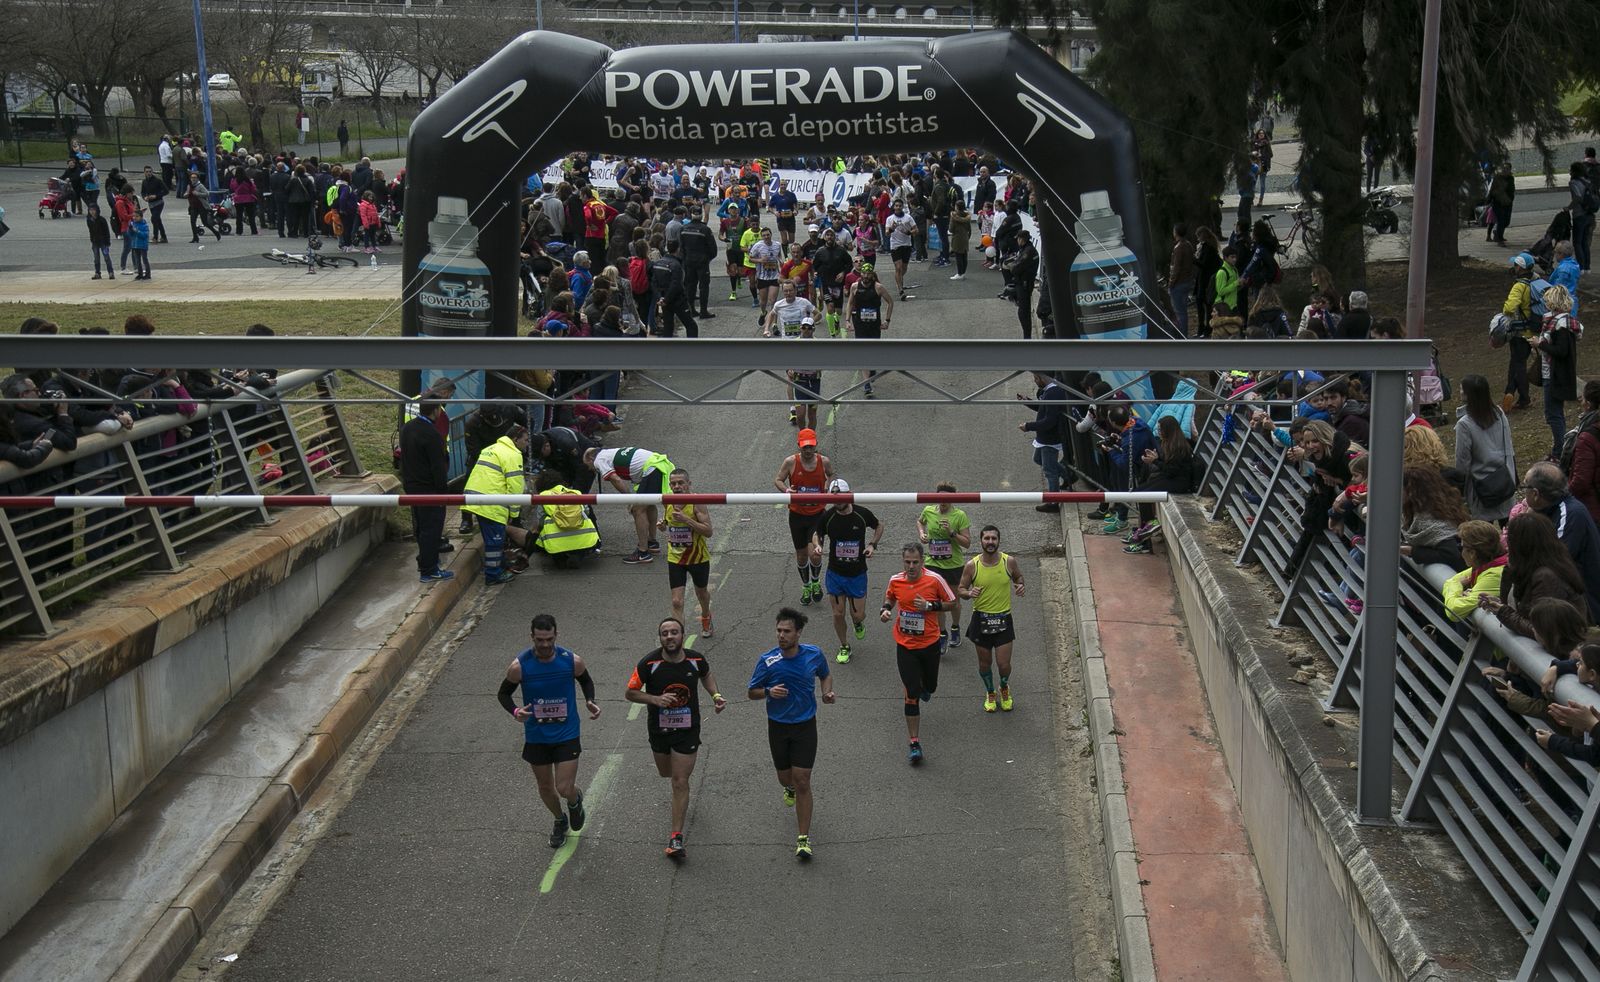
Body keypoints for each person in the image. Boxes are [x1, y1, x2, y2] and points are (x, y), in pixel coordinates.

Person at [626, 617, 726, 860]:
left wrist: (716, 695)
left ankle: (675, 838)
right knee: (666, 773)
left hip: (687, 728)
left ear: (682, 635)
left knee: (680, 781)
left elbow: (707, 675)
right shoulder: (648, 663)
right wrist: (655, 700)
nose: (669, 637)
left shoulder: (696, 659)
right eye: (664, 633)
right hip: (659, 730)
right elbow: (630, 692)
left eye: (674, 632)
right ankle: (680, 796)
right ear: (660, 638)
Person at [498, 614, 600, 849]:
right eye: (539, 640)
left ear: (556, 636)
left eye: (549, 639)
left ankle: (574, 801)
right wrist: (515, 712)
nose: (545, 645)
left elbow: (585, 681)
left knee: (564, 787)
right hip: (537, 735)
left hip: (567, 731)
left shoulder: (571, 661)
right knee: (545, 787)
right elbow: (503, 694)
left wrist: (590, 701)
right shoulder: (519, 667)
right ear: (531, 637)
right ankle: (559, 820)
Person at [747, 607, 835, 861]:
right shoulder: (768, 660)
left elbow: (825, 675)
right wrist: (768, 692)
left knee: (803, 779)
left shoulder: (814, 655)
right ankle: (789, 788)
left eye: (786, 631)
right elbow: (751, 692)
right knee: (786, 778)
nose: (781, 635)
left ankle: (803, 839)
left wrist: (827, 692)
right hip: (778, 726)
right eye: (778, 630)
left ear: (798, 633)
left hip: (805, 725)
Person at [881, 543, 957, 764]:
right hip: (905, 645)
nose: (911, 566)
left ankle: (925, 686)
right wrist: (885, 609)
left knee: (930, 687)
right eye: (907, 562)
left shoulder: (934, 579)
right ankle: (914, 742)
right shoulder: (896, 580)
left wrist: (929, 606)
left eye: (915, 562)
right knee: (911, 693)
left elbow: (952, 603)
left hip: (930, 643)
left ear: (922, 561)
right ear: (902, 561)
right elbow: (890, 597)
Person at [1517, 461, 1600, 622]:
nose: (1523, 494)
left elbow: (1552, 560)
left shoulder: (1569, 514)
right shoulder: (1548, 509)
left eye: (1524, 487)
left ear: (1535, 494)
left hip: (1585, 606)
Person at [811, 478, 882, 665]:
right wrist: (818, 546)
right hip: (835, 573)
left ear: (849, 495)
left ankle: (858, 623)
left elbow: (879, 526)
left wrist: (872, 545)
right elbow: (817, 534)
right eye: (834, 498)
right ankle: (844, 646)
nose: (837, 501)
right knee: (837, 613)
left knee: (857, 614)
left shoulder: (862, 514)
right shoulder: (828, 516)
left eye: (841, 497)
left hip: (857, 573)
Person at [959, 525, 1026, 712]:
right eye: (986, 538)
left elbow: (1019, 578)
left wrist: (1020, 586)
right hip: (981, 620)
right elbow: (961, 589)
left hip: (1003, 618)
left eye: (993, 539)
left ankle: (1004, 687)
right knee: (985, 663)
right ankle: (990, 691)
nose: (990, 542)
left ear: (999, 541)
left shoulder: (1009, 562)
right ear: (980, 541)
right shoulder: (972, 565)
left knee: (1004, 665)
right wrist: (969, 593)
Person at [463, 424, 532, 585]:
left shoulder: (492, 448)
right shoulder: (513, 454)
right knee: (495, 541)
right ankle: (493, 575)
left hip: (475, 498)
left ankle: (501, 565)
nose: (527, 444)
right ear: (516, 439)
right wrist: (514, 515)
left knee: (493, 537)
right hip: (491, 502)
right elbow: (515, 488)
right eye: (526, 440)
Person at [585, 444, 675, 565]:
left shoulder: (599, 460)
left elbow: (615, 479)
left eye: (588, 465)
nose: (590, 469)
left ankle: (643, 553)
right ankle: (651, 543)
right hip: (658, 465)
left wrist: (629, 499)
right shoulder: (609, 453)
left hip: (652, 467)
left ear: (591, 458)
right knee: (649, 505)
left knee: (638, 510)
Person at [775, 429, 835, 606]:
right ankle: (806, 585)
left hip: (818, 515)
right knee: (801, 556)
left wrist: (828, 486)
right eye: (804, 447)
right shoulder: (791, 462)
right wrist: (787, 490)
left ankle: (816, 581)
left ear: (815, 444)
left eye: (811, 447)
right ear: (799, 446)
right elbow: (778, 480)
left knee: (815, 555)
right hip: (797, 515)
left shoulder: (823, 461)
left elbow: (831, 474)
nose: (808, 450)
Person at [400, 396, 453, 582]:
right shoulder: (432, 434)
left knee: (422, 527)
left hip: (412, 486)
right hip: (430, 490)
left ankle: (425, 559)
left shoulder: (407, 428)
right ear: (436, 411)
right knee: (432, 528)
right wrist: (443, 491)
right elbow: (437, 467)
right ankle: (429, 568)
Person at [1453, 374, 1517, 524]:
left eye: (1462, 390)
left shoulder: (1465, 424)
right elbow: (1508, 447)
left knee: (1482, 536)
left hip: (1480, 488)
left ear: (1469, 395)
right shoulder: (1499, 414)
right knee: (1509, 532)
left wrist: (1460, 489)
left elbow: (1462, 461)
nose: (1460, 392)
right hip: (1504, 481)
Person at [659, 469, 714, 636]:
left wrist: (687, 520)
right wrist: (662, 524)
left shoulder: (696, 502)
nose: (677, 487)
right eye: (673, 483)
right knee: (676, 601)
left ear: (688, 484)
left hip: (697, 557)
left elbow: (708, 531)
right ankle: (678, 638)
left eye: (680, 483)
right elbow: (668, 521)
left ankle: (706, 617)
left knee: (701, 593)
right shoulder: (668, 501)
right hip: (675, 557)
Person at [918, 484, 971, 647]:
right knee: (938, 601)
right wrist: (922, 534)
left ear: (953, 499)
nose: (943, 501)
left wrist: (952, 533)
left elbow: (967, 543)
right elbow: (920, 522)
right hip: (933, 563)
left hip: (953, 565)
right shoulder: (928, 510)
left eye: (947, 498)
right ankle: (942, 633)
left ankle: (955, 627)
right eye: (940, 497)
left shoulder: (959, 515)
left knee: (953, 601)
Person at [1532, 284, 1581, 460]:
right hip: (1550, 372)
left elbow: (1561, 351)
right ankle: (1558, 448)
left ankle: (1560, 451)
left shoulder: (1562, 325)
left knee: (1553, 414)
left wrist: (1541, 344)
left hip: (1556, 375)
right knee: (1553, 413)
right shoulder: (1553, 321)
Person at [1019, 371, 1070, 509]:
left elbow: (1049, 420)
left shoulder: (1054, 393)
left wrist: (1028, 426)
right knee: (1038, 459)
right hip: (1044, 437)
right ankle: (1068, 475)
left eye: (1036, 378)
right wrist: (1027, 401)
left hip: (1050, 438)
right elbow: (1043, 408)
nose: (1035, 381)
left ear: (1043, 378)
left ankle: (1053, 502)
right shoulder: (1049, 391)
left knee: (1049, 470)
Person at [530, 469, 600, 568]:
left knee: (542, 532)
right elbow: (587, 512)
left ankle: (560, 559)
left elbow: (540, 522)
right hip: (584, 539)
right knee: (582, 542)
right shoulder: (576, 493)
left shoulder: (543, 497)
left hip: (556, 542)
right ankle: (578, 556)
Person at [845, 262, 893, 398]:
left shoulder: (878, 288)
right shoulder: (855, 287)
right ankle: (866, 385)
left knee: (873, 350)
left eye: (868, 274)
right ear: (861, 274)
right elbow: (849, 303)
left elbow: (890, 302)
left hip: (874, 324)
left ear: (872, 275)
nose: (866, 276)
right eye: (864, 273)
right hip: (859, 323)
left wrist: (887, 321)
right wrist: (847, 320)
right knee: (863, 353)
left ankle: (871, 369)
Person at [1168, 224, 1196, 336]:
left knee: (1179, 312)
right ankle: (1183, 333)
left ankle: (1182, 335)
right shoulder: (1188, 245)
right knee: (1183, 310)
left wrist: (1171, 283)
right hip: (1187, 281)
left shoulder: (1179, 247)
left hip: (1179, 283)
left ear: (1176, 233)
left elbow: (1176, 268)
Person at [140, 165, 169, 244]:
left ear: (152, 172)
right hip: (151, 204)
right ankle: (164, 237)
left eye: (150, 172)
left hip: (159, 203)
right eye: (147, 172)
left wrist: (156, 195)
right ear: (144, 173)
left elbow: (166, 191)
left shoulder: (157, 181)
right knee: (158, 220)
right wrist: (144, 197)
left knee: (154, 219)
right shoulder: (144, 182)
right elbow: (142, 192)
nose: (149, 173)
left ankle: (155, 237)